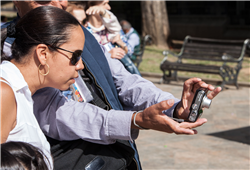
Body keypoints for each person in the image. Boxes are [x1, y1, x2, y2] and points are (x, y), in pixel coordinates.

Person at [2, 0, 221, 169]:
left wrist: (172, 106)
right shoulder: (12, 61)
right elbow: (61, 113)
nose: (59, 3)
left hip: (120, 156)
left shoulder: (78, 34)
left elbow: (125, 81)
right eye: (73, 57)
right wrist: (135, 120)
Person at [0, 5, 85, 169]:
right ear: (43, 54)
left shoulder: (20, 92)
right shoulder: (4, 93)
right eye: (75, 56)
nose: (80, 65)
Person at [84, 0, 141, 75]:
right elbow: (88, 59)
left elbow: (130, 52)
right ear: (91, 7)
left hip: (122, 74)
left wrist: (120, 43)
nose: (109, 7)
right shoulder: (85, 32)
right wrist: (108, 54)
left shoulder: (113, 28)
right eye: (105, 4)